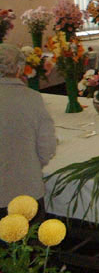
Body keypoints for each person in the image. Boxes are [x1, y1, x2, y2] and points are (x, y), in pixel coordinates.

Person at [0, 44, 56, 221]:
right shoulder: (31, 98)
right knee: (29, 244)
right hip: (25, 187)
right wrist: (30, 164)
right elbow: (46, 147)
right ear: (19, 69)